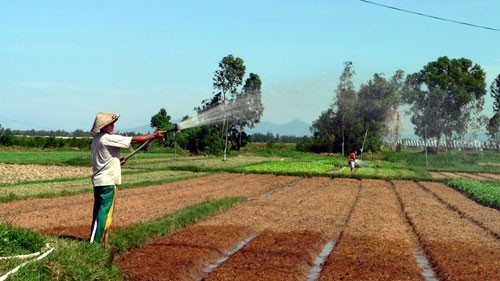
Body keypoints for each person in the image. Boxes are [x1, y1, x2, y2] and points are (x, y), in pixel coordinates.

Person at [89, 112, 166, 248]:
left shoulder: (97, 139)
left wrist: (117, 161)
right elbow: (134, 140)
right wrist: (153, 135)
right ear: (106, 126)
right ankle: (94, 244)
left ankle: (102, 242)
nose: (113, 125)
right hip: (108, 182)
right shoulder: (107, 138)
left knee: (102, 212)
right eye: (111, 123)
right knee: (104, 213)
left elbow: (104, 159)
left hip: (100, 181)